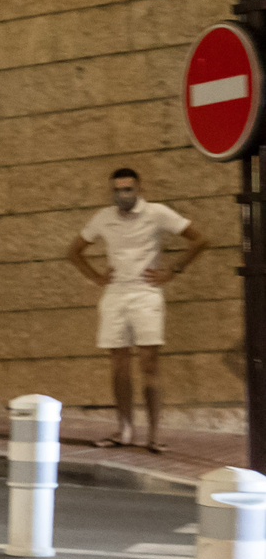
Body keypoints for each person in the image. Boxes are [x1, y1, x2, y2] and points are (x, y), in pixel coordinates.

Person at [65, 166, 206, 452]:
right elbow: (73, 251)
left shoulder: (156, 213)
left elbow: (200, 240)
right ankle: (124, 429)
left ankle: (154, 434)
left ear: (139, 189)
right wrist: (97, 278)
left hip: (146, 293)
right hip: (116, 295)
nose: (122, 194)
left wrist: (173, 270)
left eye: (128, 189)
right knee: (119, 365)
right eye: (117, 190)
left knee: (149, 363)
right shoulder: (104, 218)